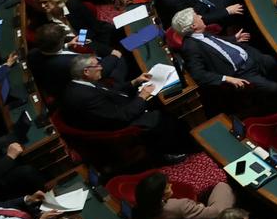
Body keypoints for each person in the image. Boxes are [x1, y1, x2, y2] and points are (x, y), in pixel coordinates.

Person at [169, 10, 277, 123]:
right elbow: (199, 75)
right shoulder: (191, 47)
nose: (200, 16)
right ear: (194, 26)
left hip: (251, 56)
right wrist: (227, 79)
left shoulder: (201, 33)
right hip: (241, 73)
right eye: (197, 16)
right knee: (274, 88)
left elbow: (216, 45)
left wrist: (233, 39)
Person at [59, 54, 192, 162]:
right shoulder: (85, 96)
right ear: (86, 71)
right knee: (158, 117)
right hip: (118, 128)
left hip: (118, 108)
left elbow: (111, 91)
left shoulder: (82, 83)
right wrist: (142, 97)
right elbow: (121, 117)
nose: (101, 67)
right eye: (97, 65)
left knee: (158, 103)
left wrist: (134, 82)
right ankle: (171, 151)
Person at [133, 171, 235, 219]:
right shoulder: (178, 206)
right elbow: (216, 213)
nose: (171, 185)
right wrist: (199, 207)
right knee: (222, 186)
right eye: (167, 187)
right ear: (161, 196)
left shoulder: (144, 206)